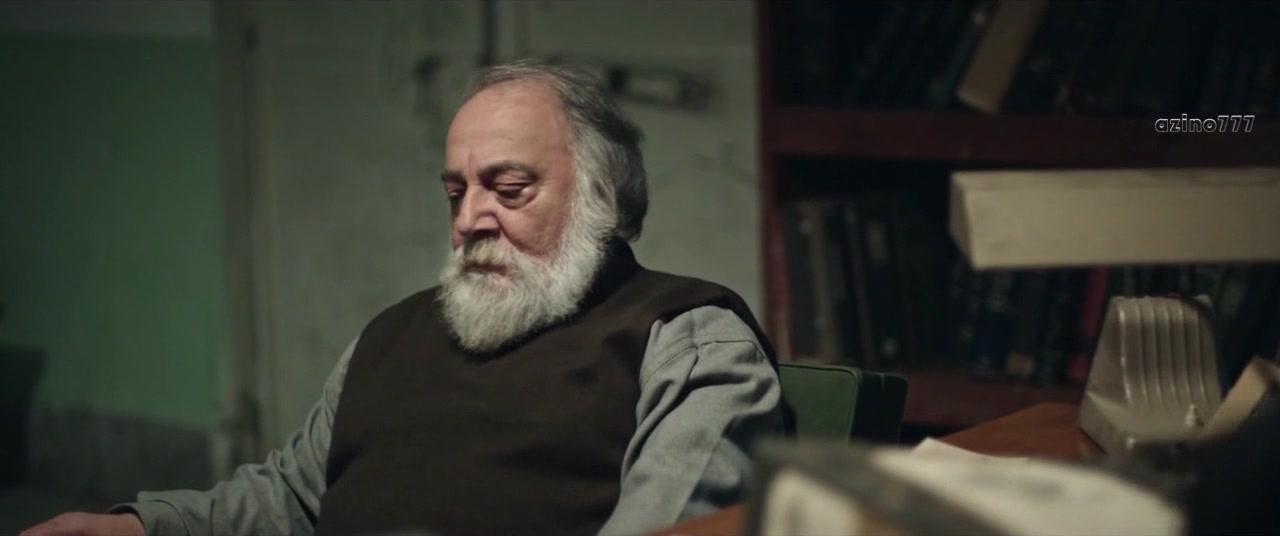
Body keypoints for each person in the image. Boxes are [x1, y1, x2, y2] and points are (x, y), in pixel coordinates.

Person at [22, 60, 785, 536]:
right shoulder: (394, 334)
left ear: (602, 197)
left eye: (509, 189)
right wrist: (140, 526)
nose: (470, 217)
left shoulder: (685, 339)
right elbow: (290, 501)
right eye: (456, 192)